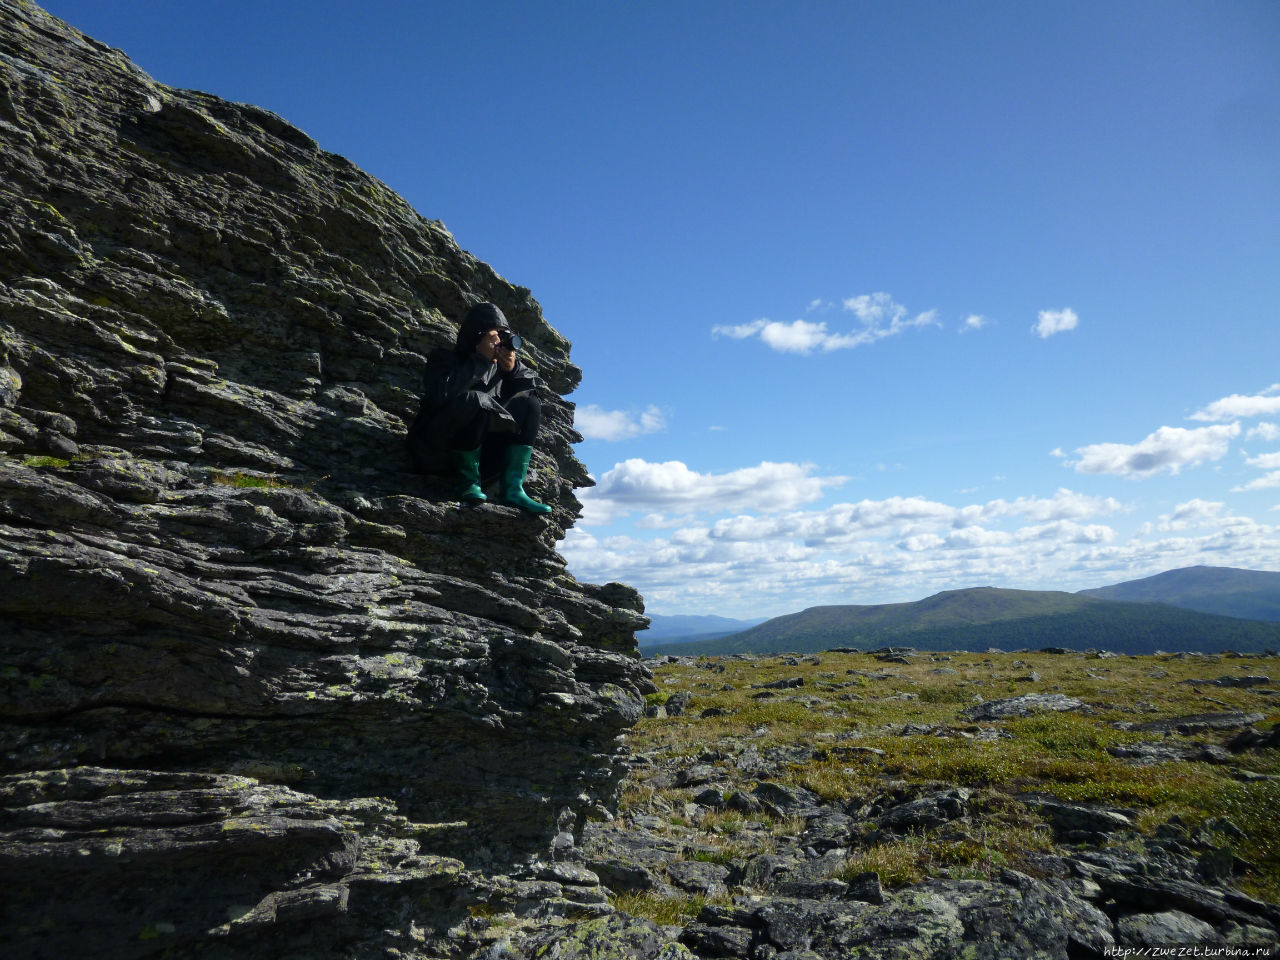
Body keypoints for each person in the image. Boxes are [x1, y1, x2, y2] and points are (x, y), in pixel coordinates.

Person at [406, 301, 552, 515]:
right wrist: (480, 360)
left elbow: (527, 390)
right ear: (477, 335)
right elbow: (439, 396)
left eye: (505, 335)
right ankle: (468, 482)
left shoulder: (504, 366)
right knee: (477, 399)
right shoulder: (446, 358)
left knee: (530, 401)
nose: (501, 342)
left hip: (485, 459)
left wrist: (510, 371)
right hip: (436, 452)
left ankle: (512, 489)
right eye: (496, 335)